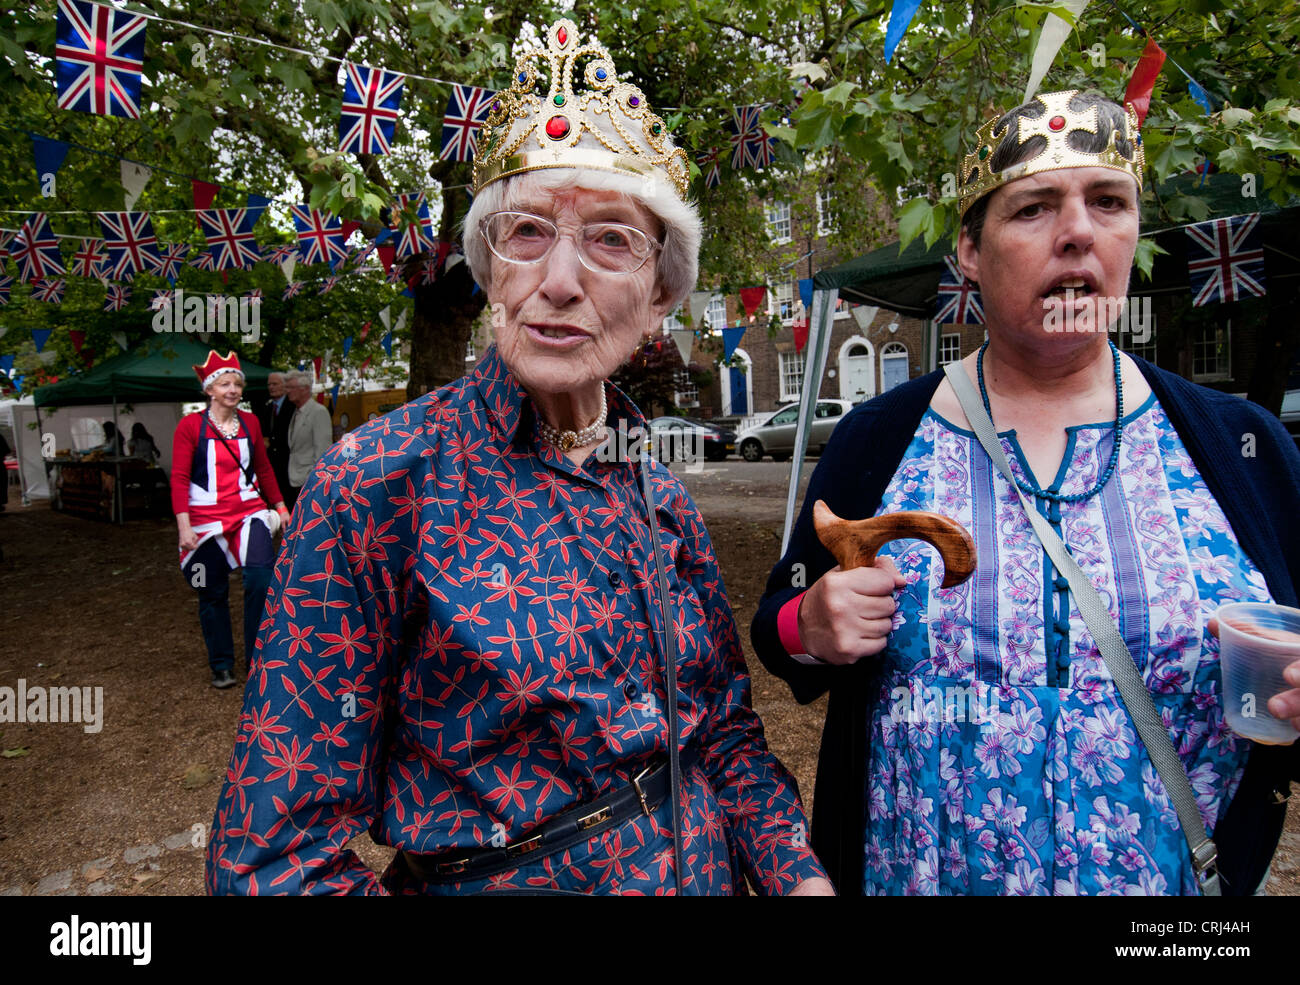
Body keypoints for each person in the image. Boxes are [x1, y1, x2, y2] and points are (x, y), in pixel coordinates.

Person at [207, 18, 830, 896]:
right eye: (528, 233)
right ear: (490, 270)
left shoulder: (658, 492)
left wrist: (798, 877)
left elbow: (722, 732)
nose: (562, 279)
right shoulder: (380, 484)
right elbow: (271, 863)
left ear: (659, 300)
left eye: (612, 238)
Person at [753, 90, 1300, 896]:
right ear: (971, 250)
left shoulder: (1239, 447)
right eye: (1034, 209)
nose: (1078, 231)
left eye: (1108, 203)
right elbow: (779, 632)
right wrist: (814, 623)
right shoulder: (877, 440)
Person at [172, 351, 290, 689]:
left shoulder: (251, 423)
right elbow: (179, 477)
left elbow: (264, 469)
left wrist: (280, 507)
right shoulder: (190, 426)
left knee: (261, 580)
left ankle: (257, 657)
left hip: (248, 512)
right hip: (203, 519)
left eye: (237, 383)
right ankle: (221, 664)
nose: (233, 389)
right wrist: (183, 525)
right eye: (225, 383)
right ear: (209, 389)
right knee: (210, 591)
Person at [282, 369, 331, 511]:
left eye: (291, 387)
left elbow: (323, 451)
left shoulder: (318, 412)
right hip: (296, 480)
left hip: (309, 482)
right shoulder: (296, 412)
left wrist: (314, 480)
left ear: (305, 389)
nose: (287, 391)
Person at [258, 371, 292, 503]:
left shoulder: (293, 406)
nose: (271, 387)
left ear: (285, 385)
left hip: (289, 463)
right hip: (273, 464)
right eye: (269, 384)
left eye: (275, 384)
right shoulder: (267, 408)